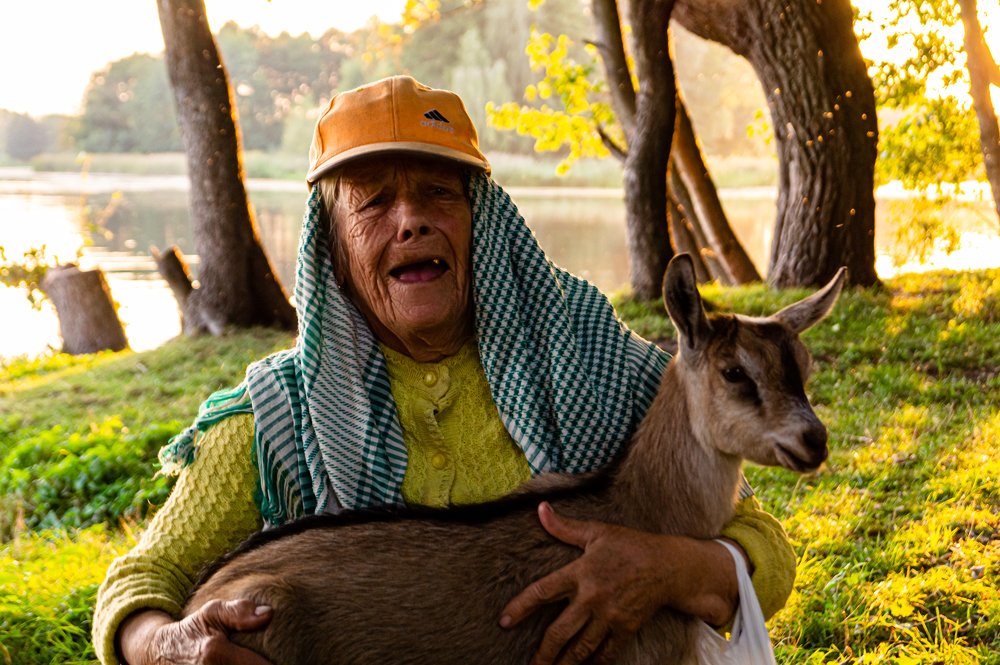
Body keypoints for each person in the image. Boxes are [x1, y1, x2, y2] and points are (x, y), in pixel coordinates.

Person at [93, 75, 796, 665]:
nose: (411, 221)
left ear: (479, 221)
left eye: (439, 193)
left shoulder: (603, 367)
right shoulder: (277, 416)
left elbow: (763, 545)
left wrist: (668, 567)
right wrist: (169, 646)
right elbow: (139, 581)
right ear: (332, 244)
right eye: (373, 200)